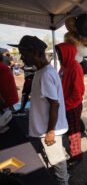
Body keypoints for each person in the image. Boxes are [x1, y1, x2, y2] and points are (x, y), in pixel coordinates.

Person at [9, 36, 69, 185]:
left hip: (48, 130)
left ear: (34, 52)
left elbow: (54, 105)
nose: (21, 57)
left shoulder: (46, 74)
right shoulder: (42, 71)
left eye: (24, 53)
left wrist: (50, 132)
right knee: (54, 160)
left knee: (58, 163)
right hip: (45, 128)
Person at [56, 42, 85, 168]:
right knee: (68, 131)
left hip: (72, 106)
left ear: (67, 53)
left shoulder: (75, 67)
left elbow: (78, 93)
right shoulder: (63, 66)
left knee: (74, 132)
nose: (59, 57)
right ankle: (74, 152)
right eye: (58, 54)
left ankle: (77, 155)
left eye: (60, 54)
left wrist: (65, 105)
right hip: (64, 105)